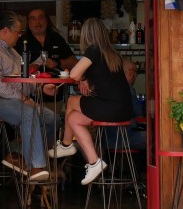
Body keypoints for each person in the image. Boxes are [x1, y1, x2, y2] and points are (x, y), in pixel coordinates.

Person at [0, 11, 57, 182]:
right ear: (5, 30)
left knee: (52, 119)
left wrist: (40, 89)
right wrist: (24, 98)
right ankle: (35, 166)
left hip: (14, 99)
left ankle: (17, 154)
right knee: (29, 114)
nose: (20, 35)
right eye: (18, 31)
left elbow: (22, 78)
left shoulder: (11, 51)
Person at [48, 17, 133, 185]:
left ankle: (65, 145)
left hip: (111, 107)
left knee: (72, 101)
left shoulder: (93, 50)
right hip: (123, 108)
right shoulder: (111, 53)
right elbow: (93, 75)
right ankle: (94, 162)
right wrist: (85, 79)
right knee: (73, 119)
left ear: (85, 36)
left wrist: (80, 78)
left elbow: (73, 75)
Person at [21, 7, 77, 73]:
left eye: (41, 18)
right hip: (31, 81)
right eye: (33, 19)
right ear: (28, 22)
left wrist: (56, 63)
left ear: (47, 20)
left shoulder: (56, 38)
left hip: (56, 81)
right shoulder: (21, 40)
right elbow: (11, 66)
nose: (37, 22)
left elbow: (74, 62)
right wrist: (27, 67)